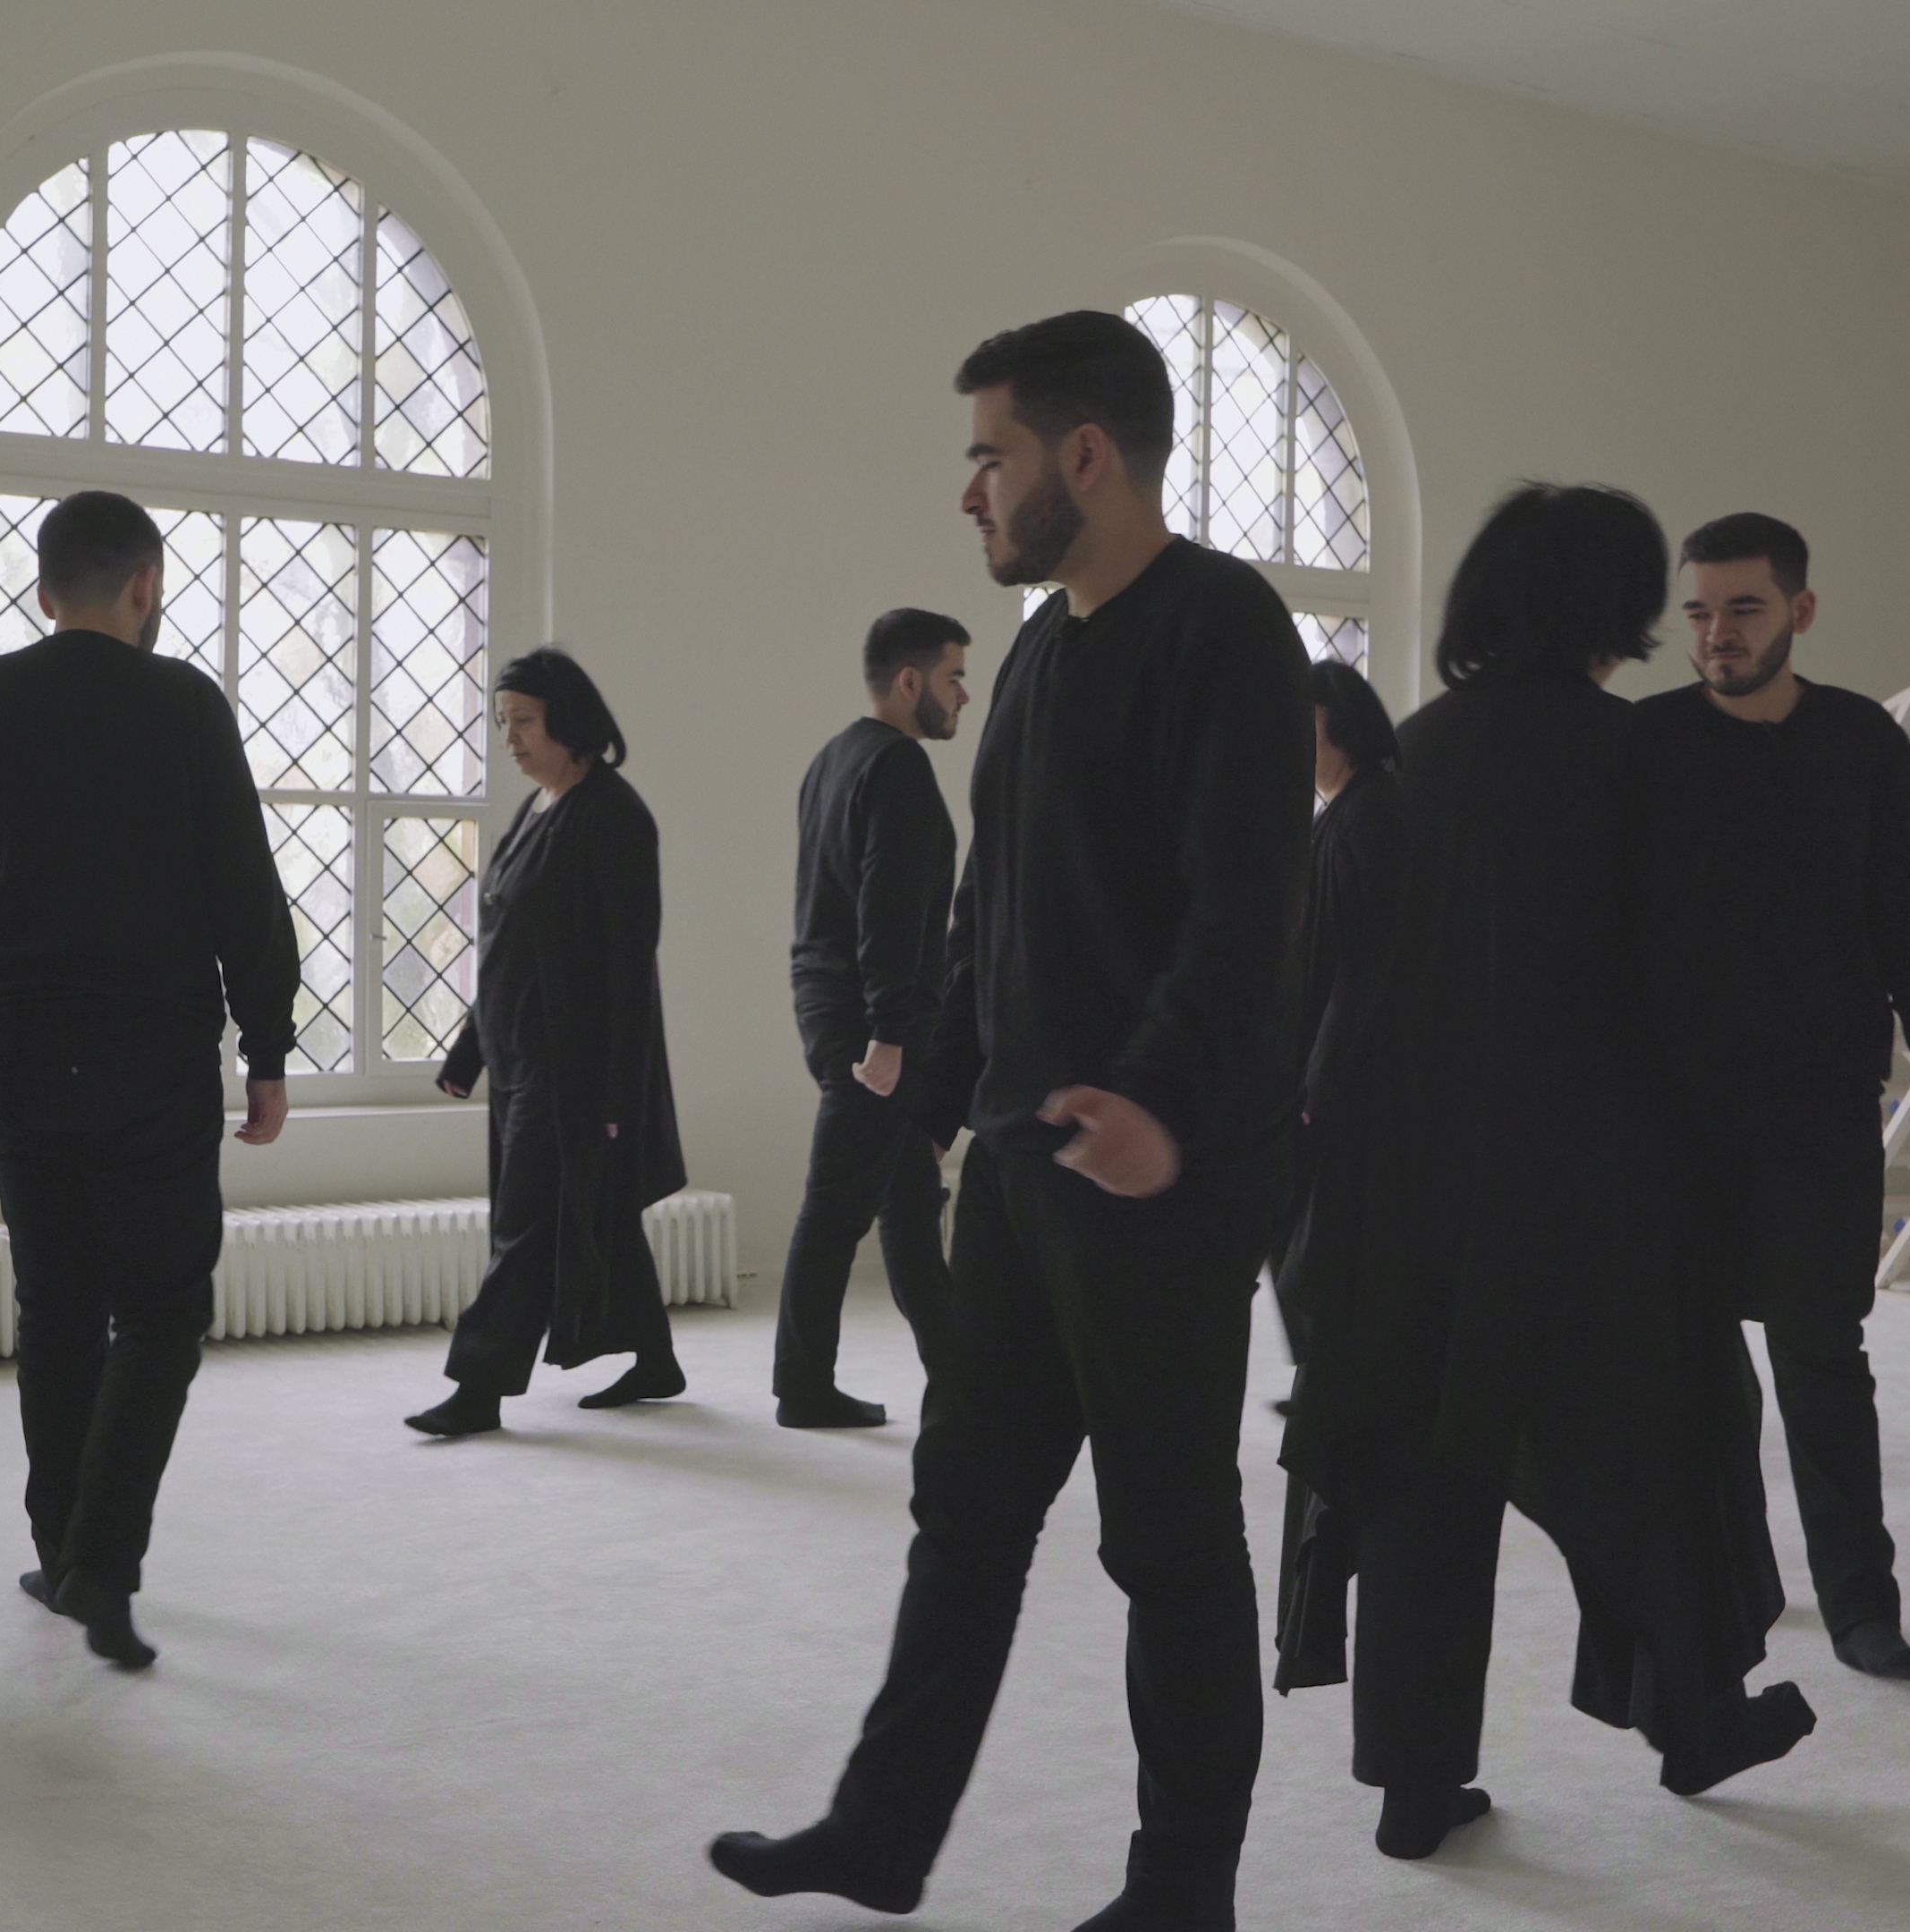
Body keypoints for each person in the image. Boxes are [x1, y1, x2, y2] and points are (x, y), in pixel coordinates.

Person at [711, 311, 1307, 1932]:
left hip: (1155, 1179)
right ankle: (880, 1834)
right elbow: (996, 908)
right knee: (965, 1513)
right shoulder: (1041, 650)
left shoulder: (1227, 630)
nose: (971, 491)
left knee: (1169, 1545)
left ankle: (1185, 1887)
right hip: (1028, 1174)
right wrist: (938, 1107)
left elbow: (1250, 909)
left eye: (991, 454)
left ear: (1085, 458)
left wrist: (1159, 1107)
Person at [1274, 484, 1810, 1860]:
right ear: (1616, 606)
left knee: (1419, 1481)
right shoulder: (1644, 763)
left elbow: (1330, 999)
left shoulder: (1404, 770)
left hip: (1409, 1195)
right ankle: (1696, 1717)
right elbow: (1695, 997)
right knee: (1658, 1449)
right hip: (1596, 1193)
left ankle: (1413, 1782)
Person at [0, 490, 295, 1672]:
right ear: (144, 586)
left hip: (15, 1041)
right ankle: (103, 1564)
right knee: (163, 1307)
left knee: (57, 1304)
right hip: (149, 1046)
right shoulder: (182, 704)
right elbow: (242, 880)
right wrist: (268, 1047)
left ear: (42, 589)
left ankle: (59, 1544)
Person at [1632, 512, 1910, 1682]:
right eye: (1699, 612)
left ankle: (1861, 1610)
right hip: (1673, 1110)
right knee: (1685, 1363)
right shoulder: (1647, 745)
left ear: (1800, 610)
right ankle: (1728, 1587)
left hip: (1817, 1105)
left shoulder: (1861, 743)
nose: (1717, 633)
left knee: (1820, 1354)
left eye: (1742, 608)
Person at [403, 646, 689, 1438]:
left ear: (569, 720)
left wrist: (615, 1100)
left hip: (575, 1071)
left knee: (527, 1227)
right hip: (522, 1062)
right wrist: (469, 1055)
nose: (510, 739)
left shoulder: (615, 816)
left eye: (523, 722)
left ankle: (479, 1385)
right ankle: (655, 1358)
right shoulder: (537, 810)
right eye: (504, 723)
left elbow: (630, 973)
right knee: (589, 1215)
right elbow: (508, 950)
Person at [772, 607, 970, 1428]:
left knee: (909, 1207)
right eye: (955, 677)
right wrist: (889, 1036)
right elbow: (888, 910)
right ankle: (802, 1388)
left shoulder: (833, 759)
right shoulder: (896, 769)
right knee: (835, 1210)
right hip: (869, 1028)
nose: (966, 694)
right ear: (910, 681)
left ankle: (962, 1376)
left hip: (831, 1007)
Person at [1268, 654, 1406, 1392]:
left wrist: (1322, 1073)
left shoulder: (1373, 814)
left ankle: (1334, 1373)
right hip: (1320, 1062)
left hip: (1350, 1072)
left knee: (1321, 1235)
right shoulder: (1343, 814)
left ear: (1342, 728)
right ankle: (1325, 1370)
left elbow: (1366, 964)